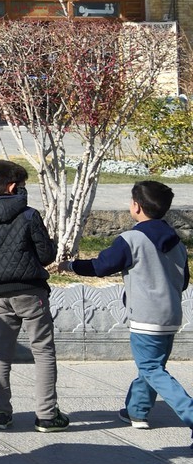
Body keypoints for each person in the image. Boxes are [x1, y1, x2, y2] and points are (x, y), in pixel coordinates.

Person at [62, 180, 191, 437]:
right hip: (171, 316)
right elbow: (184, 281)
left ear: (136, 206)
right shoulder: (177, 243)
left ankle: (189, 411)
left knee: (151, 369)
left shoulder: (132, 239)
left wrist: (71, 266)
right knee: (151, 367)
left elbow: (101, 266)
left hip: (145, 317)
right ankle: (137, 411)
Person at [0, 159, 65, 432]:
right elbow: (46, 255)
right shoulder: (29, 215)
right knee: (43, 351)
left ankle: (0, 413)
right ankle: (47, 415)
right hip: (31, 292)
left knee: (0, 352)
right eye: (22, 185)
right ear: (12, 187)